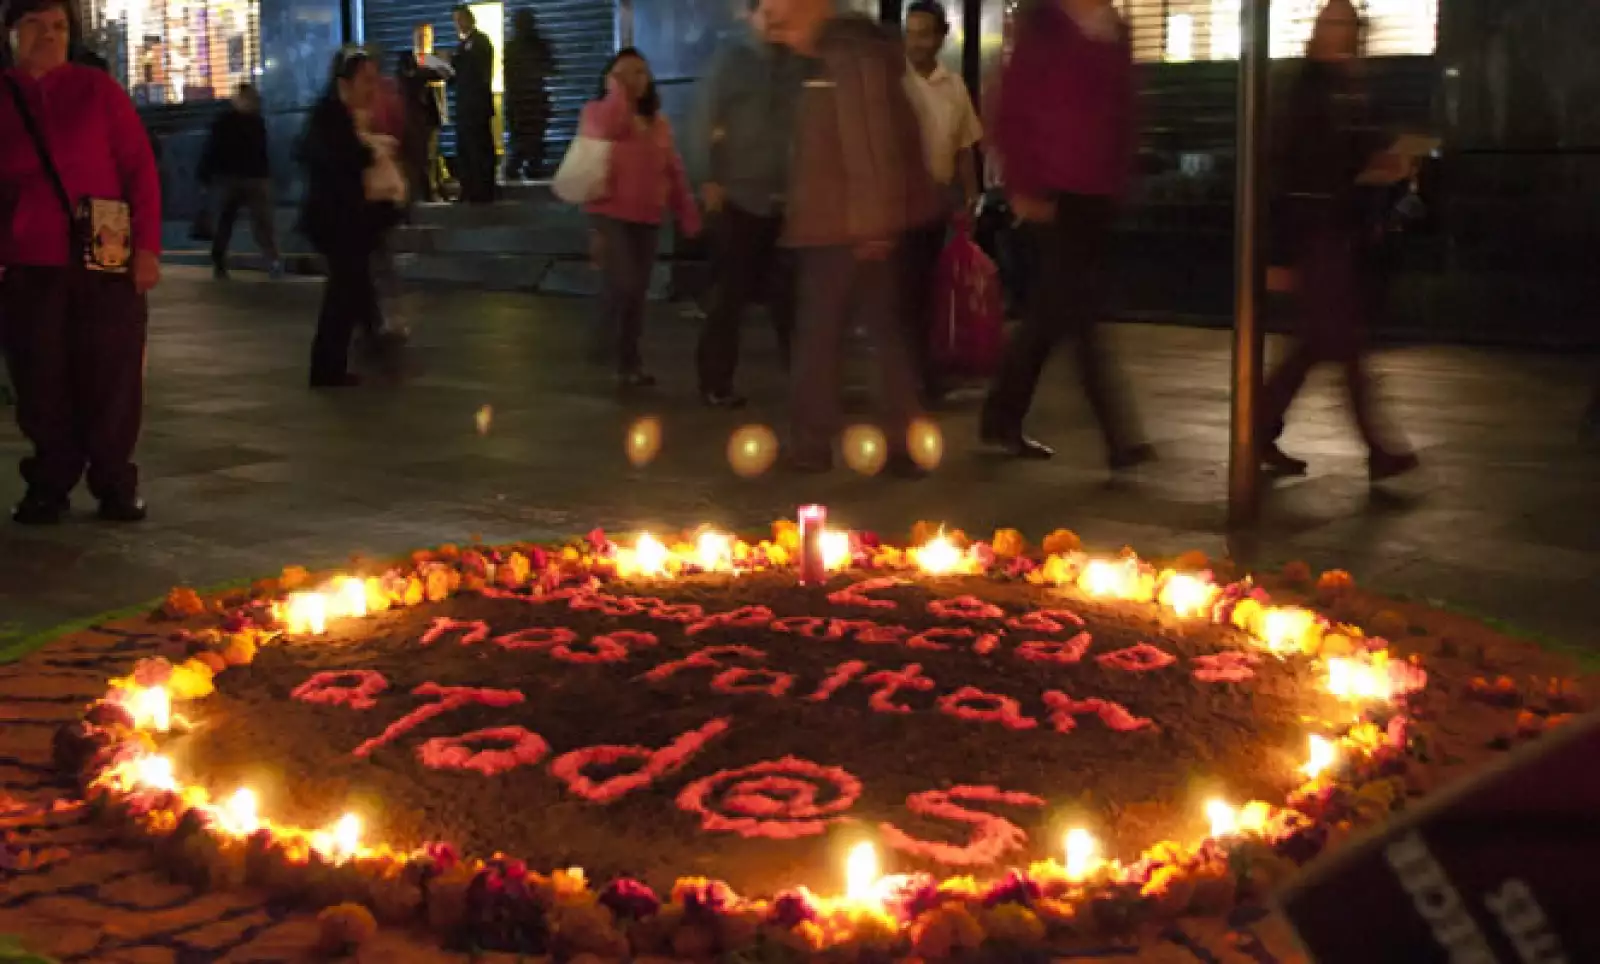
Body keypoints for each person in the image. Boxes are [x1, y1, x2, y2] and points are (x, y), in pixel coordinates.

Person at [0, 0, 161, 524]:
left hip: (105, 255)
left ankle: (114, 479)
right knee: (40, 377)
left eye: (59, 27)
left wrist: (147, 248)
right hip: (30, 262)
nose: (48, 36)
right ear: (10, 33)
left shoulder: (97, 91)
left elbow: (138, 169)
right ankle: (50, 480)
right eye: (34, 25)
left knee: (112, 373)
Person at [762, 0, 939, 476]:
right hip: (844, 221)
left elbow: (867, 140)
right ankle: (898, 443)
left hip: (845, 224)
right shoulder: (841, 54)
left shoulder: (848, 56)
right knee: (878, 331)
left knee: (824, 335)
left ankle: (815, 444)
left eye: (781, 13)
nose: (775, 23)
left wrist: (871, 222)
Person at [981, 0, 1150, 471]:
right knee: (1078, 313)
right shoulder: (1044, 25)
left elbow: (1125, 111)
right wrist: (1021, 187)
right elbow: (1012, 110)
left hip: (1096, 193)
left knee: (1054, 312)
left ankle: (1000, 415)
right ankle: (1118, 437)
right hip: (1055, 191)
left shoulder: (1112, 29)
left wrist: (1120, 180)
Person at [1259, 0, 1418, 482]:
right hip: (1314, 229)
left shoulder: (1351, 87)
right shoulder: (1309, 89)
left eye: (1346, 24)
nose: (1340, 33)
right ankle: (1377, 448)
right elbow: (1289, 167)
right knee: (1342, 344)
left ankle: (1258, 427)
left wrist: (1384, 163)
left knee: (1315, 343)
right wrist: (1279, 252)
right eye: (1333, 23)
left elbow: (1351, 154)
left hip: (1337, 227)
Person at [692, 0, 804, 408]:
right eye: (767, 13)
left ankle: (806, 381)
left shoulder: (799, 66)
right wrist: (706, 177)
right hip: (738, 197)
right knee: (729, 297)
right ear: (751, 15)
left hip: (787, 200)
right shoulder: (731, 61)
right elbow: (703, 118)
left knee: (792, 298)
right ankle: (715, 381)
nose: (775, 21)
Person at [580, 48, 700, 388]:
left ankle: (628, 362)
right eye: (625, 73)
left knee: (636, 293)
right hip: (609, 214)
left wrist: (687, 213)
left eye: (641, 72)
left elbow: (673, 170)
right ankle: (604, 346)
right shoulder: (597, 112)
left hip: (647, 217)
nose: (635, 79)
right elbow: (609, 126)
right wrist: (618, 95)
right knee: (625, 283)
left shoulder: (658, 123)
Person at [298, 47, 402, 388]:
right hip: (337, 220)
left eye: (375, 79)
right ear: (345, 83)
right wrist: (368, 152)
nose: (373, 88)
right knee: (343, 291)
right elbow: (335, 159)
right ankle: (328, 366)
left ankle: (335, 362)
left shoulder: (346, 116)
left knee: (349, 288)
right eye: (366, 80)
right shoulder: (331, 117)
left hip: (347, 220)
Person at [900, 0, 981, 405]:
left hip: (937, 202)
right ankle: (912, 378)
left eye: (924, 34)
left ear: (941, 37)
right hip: (899, 202)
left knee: (929, 290)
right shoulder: (894, 83)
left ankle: (924, 376)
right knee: (905, 290)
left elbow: (965, 145)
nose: (916, 43)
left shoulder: (953, 86)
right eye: (910, 33)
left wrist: (970, 195)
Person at [199, 83, 281, 280]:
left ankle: (222, 259)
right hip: (246, 177)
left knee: (230, 220)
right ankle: (272, 260)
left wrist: (205, 176)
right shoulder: (254, 122)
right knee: (255, 221)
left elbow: (212, 150)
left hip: (236, 177)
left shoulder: (228, 122)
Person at [397, 24, 452, 203]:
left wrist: (430, 70)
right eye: (420, 37)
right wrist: (429, 72)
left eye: (426, 37)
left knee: (431, 153)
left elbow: (447, 74)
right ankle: (425, 190)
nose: (423, 41)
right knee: (417, 154)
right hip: (413, 115)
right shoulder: (407, 59)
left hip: (432, 114)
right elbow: (409, 78)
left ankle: (434, 189)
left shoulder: (434, 59)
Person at [450, 5, 496, 203]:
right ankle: (468, 188)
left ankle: (483, 189)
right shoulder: (461, 46)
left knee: (479, 148)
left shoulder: (481, 41)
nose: (458, 24)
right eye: (455, 21)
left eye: (461, 19)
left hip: (476, 106)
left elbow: (476, 71)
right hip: (464, 106)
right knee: (465, 149)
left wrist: (456, 62)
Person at [503, 8, 551, 180]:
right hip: (533, 100)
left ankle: (517, 167)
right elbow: (549, 68)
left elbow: (508, 75)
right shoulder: (539, 45)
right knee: (533, 139)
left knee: (521, 139)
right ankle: (530, 167)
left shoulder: (512, 47)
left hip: (520, 101)